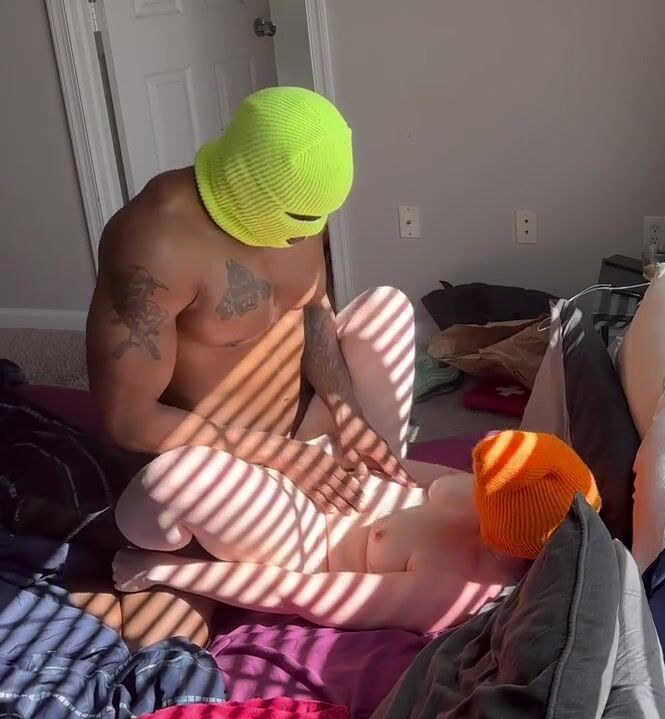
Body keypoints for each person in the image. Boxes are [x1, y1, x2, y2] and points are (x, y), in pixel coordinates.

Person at [85, 87, 440, 645]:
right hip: (237, 464)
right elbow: (127, 420)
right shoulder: (153, 246)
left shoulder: (300, 210)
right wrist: (283, 458)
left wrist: (348, 415)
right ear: (248, 184)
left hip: (310, 433)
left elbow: (315, 313)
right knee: (174, 485)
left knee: (388, 307)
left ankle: (350, 483)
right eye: (299, 219)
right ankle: (276, 542)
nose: (308, 233)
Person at [111, 431, 600, 632]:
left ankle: (140, 528)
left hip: (306, 538)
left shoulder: (452, 589)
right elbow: (419, 476)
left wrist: (164, 570)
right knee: (383, 307)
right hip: (330, 483)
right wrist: (329, 454)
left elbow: (298, 593)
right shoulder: (488, 501)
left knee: (172, 478)